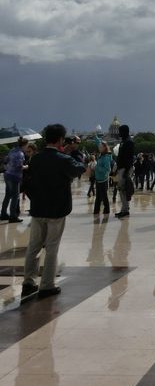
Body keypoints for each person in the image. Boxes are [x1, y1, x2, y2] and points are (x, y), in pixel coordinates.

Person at [21, 123, 86, 299]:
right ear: (60, 140)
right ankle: (47, 285)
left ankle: (28, 281)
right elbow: (80, 168)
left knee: (33, 246)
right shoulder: (63, 159)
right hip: (56, 209)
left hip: (38, 208)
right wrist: (75, 152)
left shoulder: (36, 158)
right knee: (51, 248)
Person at [1, 137, 26, 222]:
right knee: (15, 197)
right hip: (15, 177)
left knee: (8, 195)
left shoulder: (12, 151)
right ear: (24, 145)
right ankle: (12, 216)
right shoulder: (20, 154)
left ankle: (3, 214)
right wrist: (26, 166)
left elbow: (5, 161)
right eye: (27, 145)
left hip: (7, 174)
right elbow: (19, 166)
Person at [115, 124, 135, 219]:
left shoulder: (129, 142)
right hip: (122, 168)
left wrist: (126, 171)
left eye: (120, 131)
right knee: (121, 189)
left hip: (125, 169)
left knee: (123, 189)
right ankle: (124, 209)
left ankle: (125, 210)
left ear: (125, 132)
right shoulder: (124, 141)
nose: (119, 133)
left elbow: (129, 158)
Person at [93, 142, 112, 218]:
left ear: (104, 148)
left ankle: (106, 213)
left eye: (100, 147)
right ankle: (96, 213)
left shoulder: (106, 157)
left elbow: (108, 169)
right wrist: (95, 136)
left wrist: (97, 168)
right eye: (99, 147)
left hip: (103, 181)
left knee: (104, 198)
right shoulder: (101, 155)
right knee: (98, 198)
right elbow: (98, 142)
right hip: (98, 180)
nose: (99, 148)